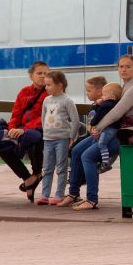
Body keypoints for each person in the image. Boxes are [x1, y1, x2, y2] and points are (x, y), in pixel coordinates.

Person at [57, 55, 133, 210]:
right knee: (77, 150)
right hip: (115, 131)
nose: (123, 70)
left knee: (87, 156)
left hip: (129, 134)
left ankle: (92, 199)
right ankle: (73, 193)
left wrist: (97, 128)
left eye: (128, 66)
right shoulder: (126, 86)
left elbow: (117, 113)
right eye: (121, 66)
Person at [0, 61, 49, 203]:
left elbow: (45, 118)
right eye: (39, 73)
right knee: (1, 142)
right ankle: (29, 178)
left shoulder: (51, 92)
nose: (43, 76)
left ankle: (37, 173)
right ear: (31, 76)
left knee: (33, 137)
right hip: (19, 129)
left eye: (46, 73)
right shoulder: (24, 92)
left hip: (39, 130)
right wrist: (11, 129)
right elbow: (16, 114)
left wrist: (23, 130)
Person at [37, 71, 80, 205]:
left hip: (62, 139)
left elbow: (75, 120)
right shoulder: (46, 100)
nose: (46, 88)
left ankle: (59, 194)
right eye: (46, 85)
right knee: (47, 168)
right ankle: (45, 195)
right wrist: (46, 132)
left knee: (61, 167)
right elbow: (43, 117)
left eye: (49, 85)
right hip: (48, 139)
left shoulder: (67, 100)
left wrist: (71, 137)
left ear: (60, 85)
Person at [90, 82, 123, 173]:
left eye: (104, 95)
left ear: (112, 96)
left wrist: (93, 123)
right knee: (96, 141)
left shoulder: (107, 104)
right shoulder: (115, 104)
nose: (102, 97)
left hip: (109, 129)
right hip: (113, 128)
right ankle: (100, 160)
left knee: (102, 143)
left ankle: (105, 163)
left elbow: (98, 115)